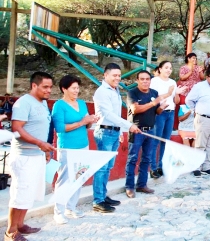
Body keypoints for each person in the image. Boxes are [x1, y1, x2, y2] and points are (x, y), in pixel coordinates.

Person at [5, 72, 56, 241]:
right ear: (34, 86)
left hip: (37, 155)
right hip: (24, 156)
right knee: (20, 193)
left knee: (29, 193)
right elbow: (17, 129)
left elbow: (41, 129)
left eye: (50, 87)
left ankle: (20, 225)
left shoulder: (42, 104)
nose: (49, 90)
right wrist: (39, 143)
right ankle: (10, 232)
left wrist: (45, 149)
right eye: (45, 87)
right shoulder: (23, 103)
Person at [92, 63, 140, 213]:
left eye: (119, 75)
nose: (117, 78)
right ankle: (98, 201)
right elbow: (108, 114)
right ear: (105, 75)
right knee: (102, 168)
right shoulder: (101, 92)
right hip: (104, 133)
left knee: (108, 168)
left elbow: (117, 114)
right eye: (114, 75)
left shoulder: (115, 90)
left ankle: (103, 196)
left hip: (113, 132)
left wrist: (120, 132)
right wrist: (128, 126)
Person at [52, 75, 99, 224]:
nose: (76, 91)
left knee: (79, 177)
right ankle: (58, 211)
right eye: (73, 88)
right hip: (67, 147)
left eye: (78, 88)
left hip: (83, 144)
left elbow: (86, 123)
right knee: (64, 179)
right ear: (64, 89)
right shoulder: (59, 105)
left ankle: (70, 207)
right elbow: (60, 128)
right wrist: (82, 122)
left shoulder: (82, 103)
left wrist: (91, 121)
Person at [125, 70, 169, 198]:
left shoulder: (154, 93)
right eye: (142, 79)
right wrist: (154, 103)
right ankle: (129, 187)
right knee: (132, 159)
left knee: (147, 159)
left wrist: (162, 107)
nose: (145, 81)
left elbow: (157, 112)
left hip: (151, 130)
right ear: (137, 80)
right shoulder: (132, 92)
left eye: (147, 79)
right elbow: (135, 109)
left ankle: (141, 185)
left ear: (150, 80)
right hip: (136, 130)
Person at [186, 68, 210, 178]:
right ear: (207, 77)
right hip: (203, 119)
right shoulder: (199, 87)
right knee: (200, 144)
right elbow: (188, 100)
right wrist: (195, 111)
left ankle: (206, 166)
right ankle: (196, 167)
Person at [150, 61, 187, 179]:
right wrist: (169, 93)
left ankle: (161, 165)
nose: (168, 70)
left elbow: (176, 101)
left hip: (170, 113)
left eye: (170, 68)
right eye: (166, 67)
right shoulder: (154, 81)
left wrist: (177, 93)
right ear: (160, 69)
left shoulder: (172, 82)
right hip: (160, 112)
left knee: (165, 141)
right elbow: (153, 98)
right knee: (156, 140)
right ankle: (153, 167)